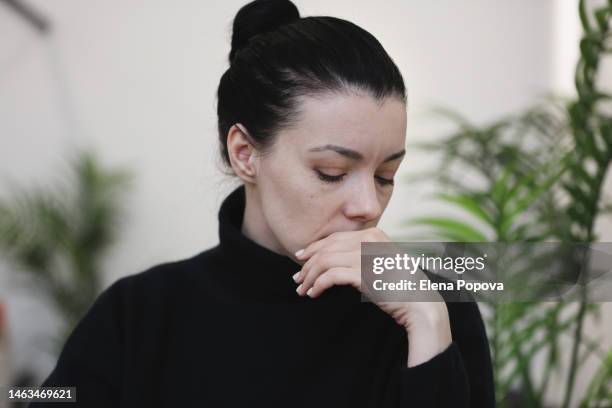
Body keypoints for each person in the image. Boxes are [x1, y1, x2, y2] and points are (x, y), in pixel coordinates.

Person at [31, 0, 495, 406]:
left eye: (385, 176)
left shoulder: (435, 301)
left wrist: (428, 322)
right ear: (245, 154)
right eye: (331, 173)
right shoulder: (139, 315)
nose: (368, 205)